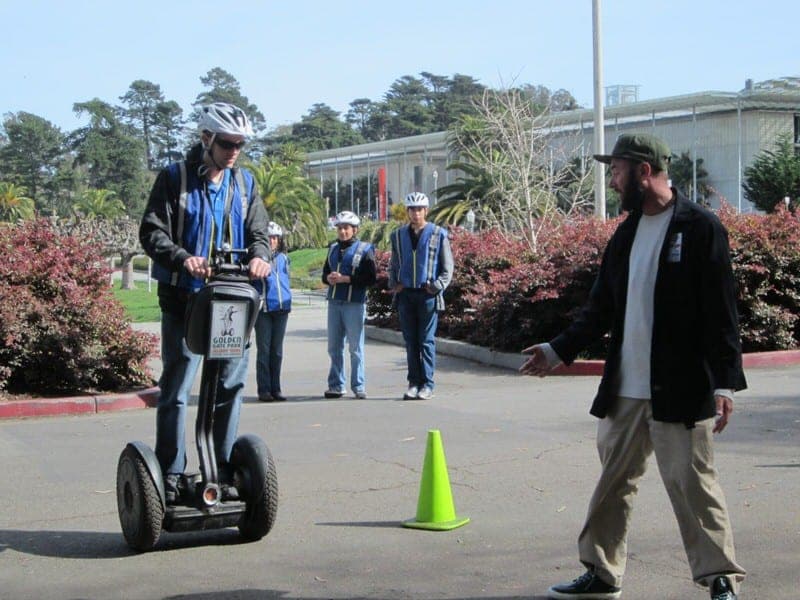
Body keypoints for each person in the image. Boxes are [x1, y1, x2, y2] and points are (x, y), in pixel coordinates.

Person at [520, 133, 745, 600]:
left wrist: (724, 383)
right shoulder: (625, 233)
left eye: (618, 169)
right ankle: (602, 573)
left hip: (682, 388)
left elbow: (721, 313)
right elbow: (599, 309)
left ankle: (719, 578)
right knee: (612, 485)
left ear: (644, 171)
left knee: (693, 486)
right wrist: (557, 350)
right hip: (625, 388)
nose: (613, 178)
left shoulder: (701, 229)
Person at [139, 102, 271, 504]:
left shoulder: (245, 184)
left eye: (240, 144)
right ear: (206, 138)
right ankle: (173, 472)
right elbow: (152, 232)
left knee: (230, 385)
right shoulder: (174, 179)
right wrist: (184, 259)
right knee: (177, 387)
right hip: (184, 300)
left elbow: (259, 232)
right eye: (227, 143)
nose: (234, 151)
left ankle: (222, 469)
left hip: (230, 302)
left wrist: (260, 256)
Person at [389, 192, 454, 400]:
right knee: (410, 341)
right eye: (412, 209)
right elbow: (394, 263)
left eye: (419, 209)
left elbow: (448, 267)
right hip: (406, 294)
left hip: (427, 295)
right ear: (407, 211)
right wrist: (394, 283)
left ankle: (427, 384)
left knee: (426, 341)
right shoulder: (398, 235)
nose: (416, 213)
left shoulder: (438, 233)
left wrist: (437, 286)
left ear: (426, 210)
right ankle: (413, 383)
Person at [322, 211, 377, 399]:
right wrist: (329, 279)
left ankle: (358, 385)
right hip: (334, 302)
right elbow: (324, 274)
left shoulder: (365, 249)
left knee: (355, 347)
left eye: (346, 228)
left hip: (354, 303)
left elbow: (371, 278)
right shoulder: (333, 249)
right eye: (340, 228)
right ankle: (336, 385)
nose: (343, 232)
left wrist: (346, 279)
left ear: (354, 230)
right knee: (334, 346)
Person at [254, 221, 292, 402]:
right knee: (264, 351)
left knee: (277, 352)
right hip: (263, 310)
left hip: (281, 309)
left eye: (276, 238)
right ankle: (264, 389)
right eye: (269, 237)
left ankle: (276, 388)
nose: (272, 241)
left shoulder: (284, 258)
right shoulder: (257, 259)